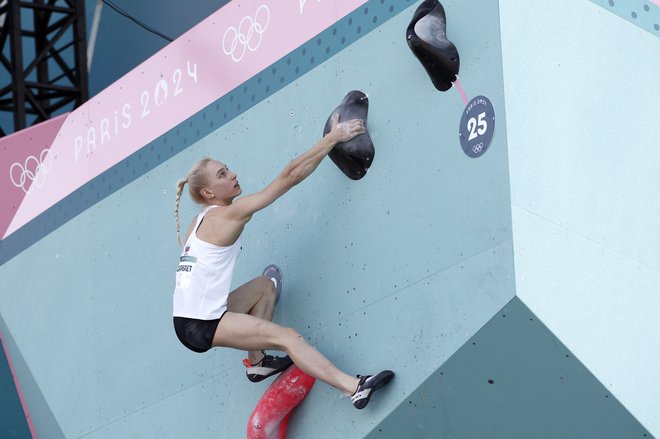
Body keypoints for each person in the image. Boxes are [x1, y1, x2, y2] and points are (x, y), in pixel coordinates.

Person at [172, 114, 393, 409]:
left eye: (227, 169)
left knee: (265, 287)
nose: (233, 174)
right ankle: (355, 388)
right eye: (223, 174)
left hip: (188, 316)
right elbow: (290, 176)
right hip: (201, 324)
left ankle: (257, 363)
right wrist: (332, 139)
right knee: (289, 338)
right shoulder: (230, 214)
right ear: (208, 193)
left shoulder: (199, 219)